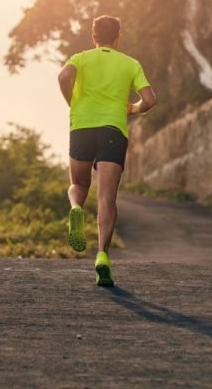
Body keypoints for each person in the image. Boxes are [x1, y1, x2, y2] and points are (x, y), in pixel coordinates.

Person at [57, 15, 157, 287]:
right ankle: (102, 256)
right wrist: (131, 109)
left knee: (78, 184)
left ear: (93, 36)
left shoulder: (81, 58)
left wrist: (72, 102)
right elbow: (149, 100)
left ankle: (76, 208)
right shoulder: (130, 63)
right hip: (113, 129)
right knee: (106, 197)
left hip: (82, 126)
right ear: (118, 37)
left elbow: (63, 76)